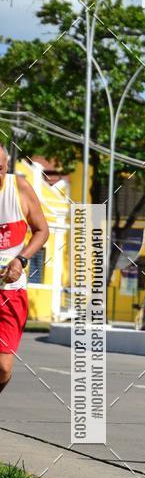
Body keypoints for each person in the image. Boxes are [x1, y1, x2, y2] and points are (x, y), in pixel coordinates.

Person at [0, 147, 49, 393]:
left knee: (4, 367)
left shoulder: (18, 189)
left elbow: (42, 230)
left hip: (11, 292)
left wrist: (21, 260)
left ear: (7, 166)